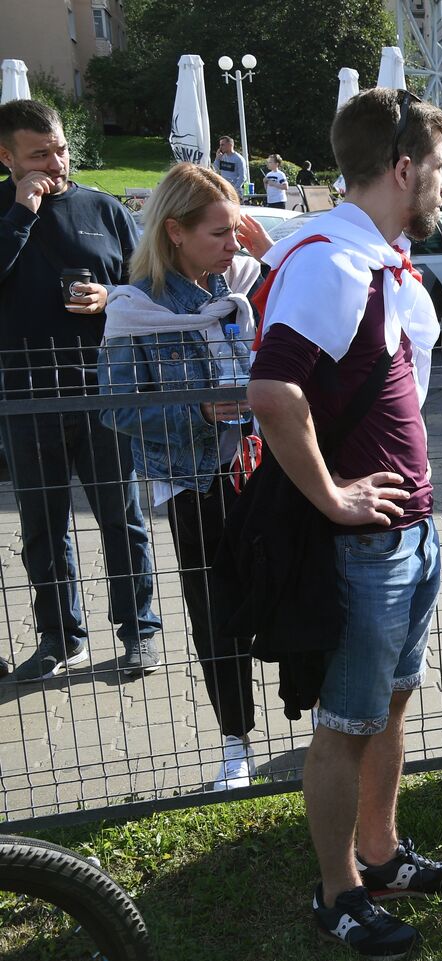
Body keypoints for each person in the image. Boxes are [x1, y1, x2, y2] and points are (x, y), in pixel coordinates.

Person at [246, 88, 442, 958]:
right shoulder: (331, 261)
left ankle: (380, 856)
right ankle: (337, 890)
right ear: (404, 167)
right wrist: (335, 497)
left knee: (390, 704)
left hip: (408, 533)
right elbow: (272, 391)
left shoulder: (372, 254)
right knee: (347, 724)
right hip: (362, 543)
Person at [99, 163, 271, 789]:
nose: (234, 245)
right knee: (217, 612)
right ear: (175, 230)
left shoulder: (243, 284)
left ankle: (327, 723)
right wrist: (197, 409)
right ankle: (236, 744)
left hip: (262, 467)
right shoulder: (136, 306)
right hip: (194, 482)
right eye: (220, 234)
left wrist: (263, 252)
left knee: (293, 589)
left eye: (236, 232)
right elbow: (117, 408)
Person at [0, 98, 162, 683]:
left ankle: (138, 630)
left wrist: (110, 298)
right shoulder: (3, 210)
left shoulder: (103, 208)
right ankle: (60, 637)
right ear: (7, 157)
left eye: (61, 149)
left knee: (122, 516)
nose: (55, 162)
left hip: (104, 390)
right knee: (43, 523)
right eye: (39, 154)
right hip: (25, 397)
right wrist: (21, 212)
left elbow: (147, 285)